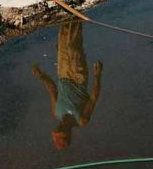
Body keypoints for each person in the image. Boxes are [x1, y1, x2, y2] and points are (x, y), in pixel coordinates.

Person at [32, 20, 103, 150]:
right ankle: (75, 17)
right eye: (60, 130)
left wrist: (41, 76)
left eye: (56, 130)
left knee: (62, 41)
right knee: (73, 45)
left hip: (63, 74)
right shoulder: (81, 120)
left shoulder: (56, 113)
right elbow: (93, 98)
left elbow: (52, 90)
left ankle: (66, 16)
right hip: (78, 76)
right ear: (68, 133)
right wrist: (97, 76)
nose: (58, 127)